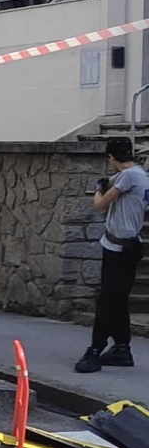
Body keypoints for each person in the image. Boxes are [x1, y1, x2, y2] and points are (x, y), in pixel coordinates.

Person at [76, 134, 147, 374]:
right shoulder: (137, 173)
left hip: (121, 248)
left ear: (110, 157)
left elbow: (101, 204)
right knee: (116, 299)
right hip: (119, 245)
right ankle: (121, 347)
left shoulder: (129, 176)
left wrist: (98, 189)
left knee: (108, 300)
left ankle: (95, 351)